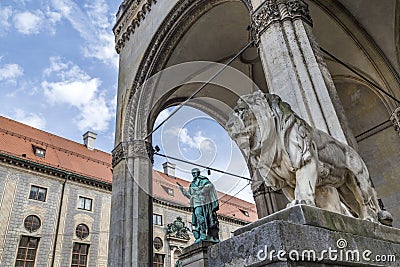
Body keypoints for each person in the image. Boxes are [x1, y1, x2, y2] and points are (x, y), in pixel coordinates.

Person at [177, 168, 219, 243]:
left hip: (203, 202)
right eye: (192, 173)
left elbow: (210, 186)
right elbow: (190, 196)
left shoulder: (203, 180)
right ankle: (201, 234)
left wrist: (201, 191)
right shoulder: (192, 184)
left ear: (198, 173)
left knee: (201, 217)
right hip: (195, 203)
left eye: (194, 173)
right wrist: (183, 191)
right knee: (197, 218)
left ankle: (203, 234)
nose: (193, 174)